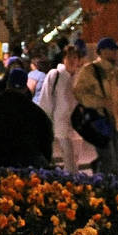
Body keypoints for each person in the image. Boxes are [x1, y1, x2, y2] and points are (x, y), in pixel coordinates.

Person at [0, 58, 55, 166]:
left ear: (8, 84)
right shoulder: (35, 112)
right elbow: (47, 138)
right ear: (25, 88)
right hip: (28, 164)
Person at [73, 37, 118, 173]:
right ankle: (104, 187)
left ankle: (109, 183)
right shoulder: (90, 70)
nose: (115, 53)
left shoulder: (117, 72)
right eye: (112, 50)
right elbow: (79, 93)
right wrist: (100, 102)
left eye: (116, 50)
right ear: (101, 51)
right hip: (101, 122)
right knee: (109, 161)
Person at [37, 40, 88, 169]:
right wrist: (45, 123)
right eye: (68, 57)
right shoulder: (55, 75)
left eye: (75, 57)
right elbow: (46, 100)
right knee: (69, 157)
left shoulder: (81, 77)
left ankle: (67, 183)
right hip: (61, 124)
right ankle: (74, 184)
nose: (72, 60)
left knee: (74, 159)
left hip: (78, 126)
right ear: (64, 59)